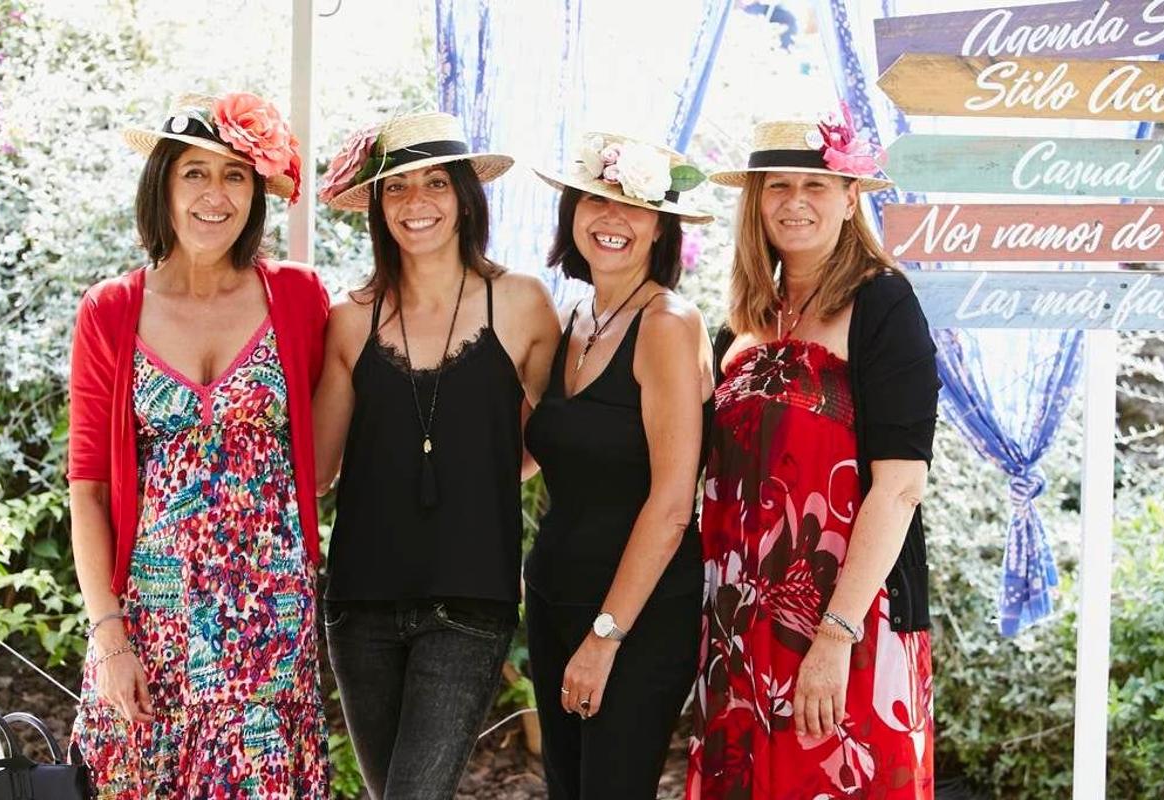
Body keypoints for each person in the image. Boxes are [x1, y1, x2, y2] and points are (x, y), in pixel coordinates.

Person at [67, 92, 329, 798]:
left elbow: (335, 442)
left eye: (235, 175)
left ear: (255, 193)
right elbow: (87, 486)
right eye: (195, 173)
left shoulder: (300, 299)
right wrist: (108, 636)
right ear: (162, 185)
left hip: (268, 616)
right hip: (150, 615)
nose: (216, 195)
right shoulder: (111, 311)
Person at [685, 109, 940, 799]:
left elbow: (899, 489)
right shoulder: (742, 324)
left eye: (816, 184)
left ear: (850, 196)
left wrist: (835, 635)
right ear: (756, 202)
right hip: (740, 634)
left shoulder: (884, 306)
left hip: (848, 624)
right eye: (778, 186)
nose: (795, 201)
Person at [312, 111, 561, 800]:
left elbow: (553, 442)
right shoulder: (349, 315)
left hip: (470, 601)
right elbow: (320, 469)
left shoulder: (519, 304)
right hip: (358, 602)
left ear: (464, 196)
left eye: (435, 183)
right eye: (397, 188)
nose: (416, 204)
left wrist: (474, 475)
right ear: (377, 206)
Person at [523, 133, 715, 799]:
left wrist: (605, 637)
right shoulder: (575, 313)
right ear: (572, 212)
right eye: (597, 201)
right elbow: (534, 456)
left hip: (633, 617)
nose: (612, 219)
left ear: (661, 226)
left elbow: (670, 505)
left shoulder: (667, 323)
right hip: (553, 598)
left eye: (633, 206)